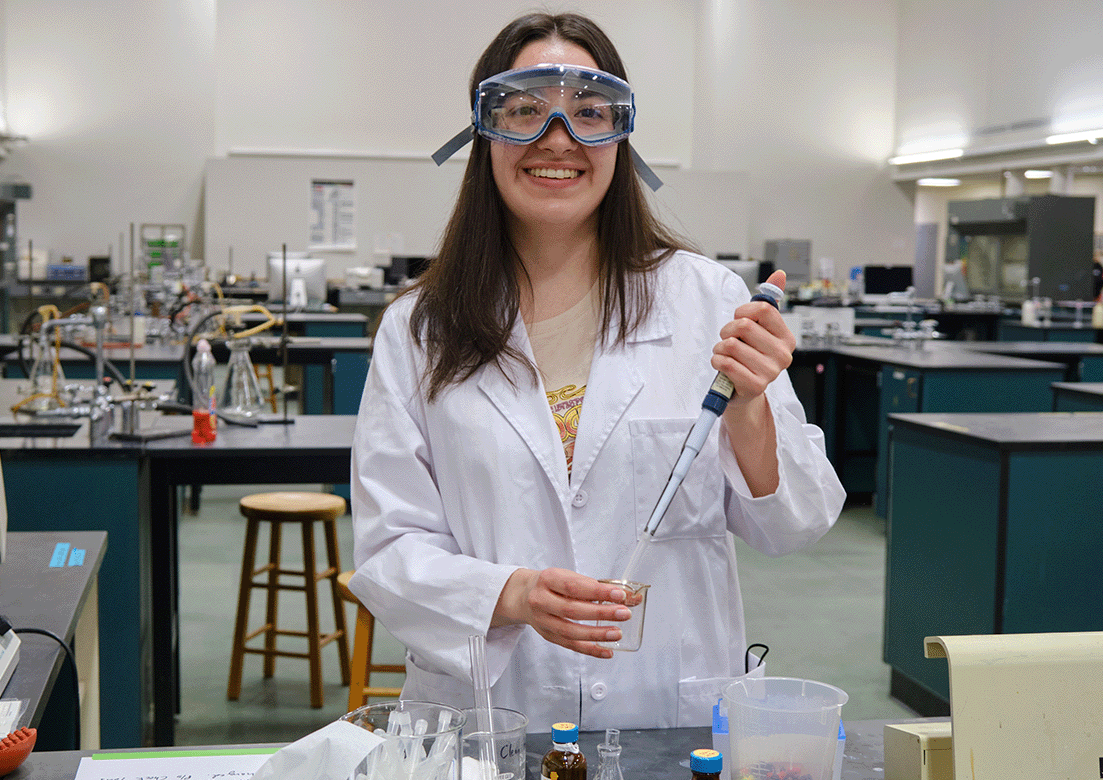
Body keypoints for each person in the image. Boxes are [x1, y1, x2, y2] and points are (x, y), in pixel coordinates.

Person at [348, 12, 845, 731]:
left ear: (621, 137)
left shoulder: (707, 300)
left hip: (665, 713)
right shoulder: (421, 328)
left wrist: (749, 409)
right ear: (483, 135)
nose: (559, 140)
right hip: (491, 713)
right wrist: (512, 594)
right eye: (524, 112)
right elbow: (390, 551)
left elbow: (795, 523)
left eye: (589, 114)